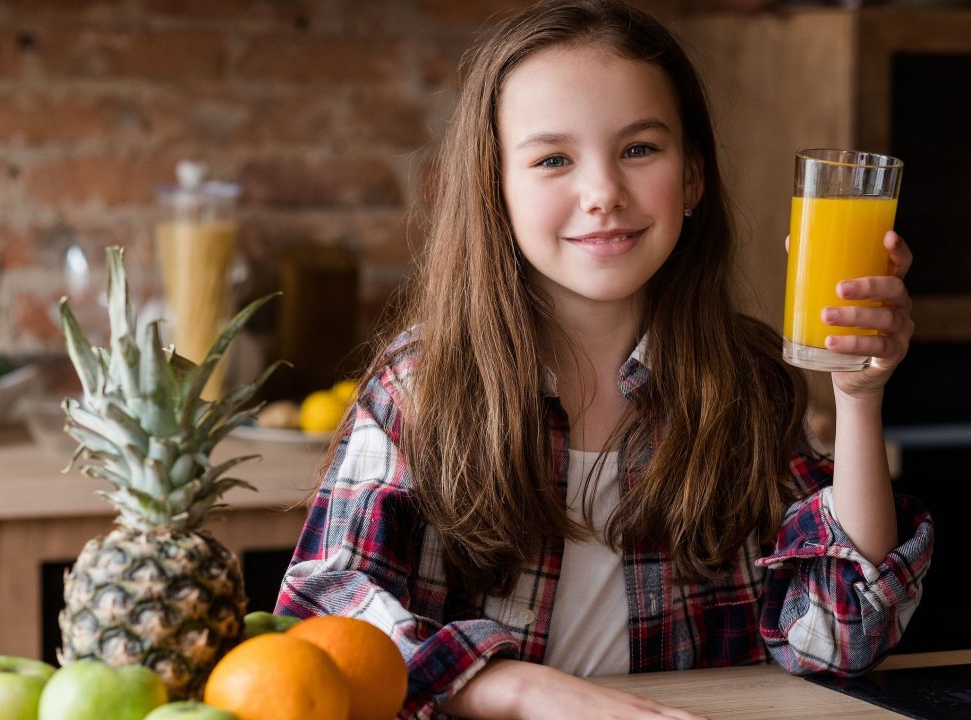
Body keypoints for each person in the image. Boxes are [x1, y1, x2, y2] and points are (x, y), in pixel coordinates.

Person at [275, 1, 933, 717]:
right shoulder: (424, 383)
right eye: (553, 159)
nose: (603, 195)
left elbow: (838, 642)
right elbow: (320, 620)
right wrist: (518, 689)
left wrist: (859, 398)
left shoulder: (742, 378)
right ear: (496, 189)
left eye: (640, 149)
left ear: (693, 178)